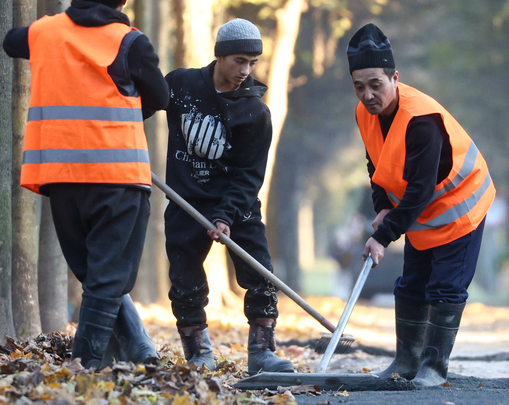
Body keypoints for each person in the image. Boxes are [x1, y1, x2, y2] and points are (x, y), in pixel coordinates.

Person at [2, 0, 168, 368]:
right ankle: (86, 365)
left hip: (62, 177)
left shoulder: (45, 32)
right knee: (107, 278)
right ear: (122, 1)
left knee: (96, 275)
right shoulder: (130, 42)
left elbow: (12, 41)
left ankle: (135, 350)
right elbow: (161, 96)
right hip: (118, 177)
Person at [346, 24, 496, 386]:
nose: (368, 95)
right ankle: (405, 362)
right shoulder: (365, 114)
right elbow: (376, 165)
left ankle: (433, 367)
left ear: (394, 77)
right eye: (359, 86)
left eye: (375, 85)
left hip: (460, 209)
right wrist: (382, 204)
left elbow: (420, 190)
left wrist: (383, 236)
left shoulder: (422, 121)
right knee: (411, 285)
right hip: (422, 216)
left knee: (445, 287)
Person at [161, 18, 293, 375]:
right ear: (220, 56)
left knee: (260, 272)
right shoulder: (181, 84)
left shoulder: (255, 111)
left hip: (238, 203)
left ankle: (263, 352)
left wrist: (226, 215)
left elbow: (249, 175)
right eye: (239, 60)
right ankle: (198, 352)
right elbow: (136, 107)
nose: (245, 70)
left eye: (252, 62)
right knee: (185, 279)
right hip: (185, 199)